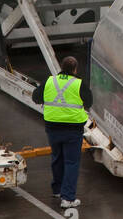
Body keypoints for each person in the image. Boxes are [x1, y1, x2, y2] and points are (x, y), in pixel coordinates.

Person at [31, 56, 92, 209]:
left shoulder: (50, 81)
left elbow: (35, 97)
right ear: (75, 69)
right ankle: (68, 198)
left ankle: (57, 190)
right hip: (73, 129)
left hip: (52, 128)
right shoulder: (79, 84)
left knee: (57, 157)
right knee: (71, 162)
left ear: (62, 68)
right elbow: (89, 102)